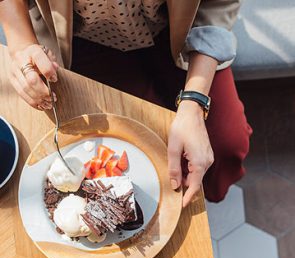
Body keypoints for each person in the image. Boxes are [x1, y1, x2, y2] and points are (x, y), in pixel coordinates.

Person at [0, 0, 252, 206]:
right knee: (140, 154)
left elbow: (219, 4)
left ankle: (204, 200)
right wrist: (22, 45)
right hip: (81, 40)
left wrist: (194, 103)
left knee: (226, 142)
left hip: (181, 26)